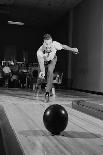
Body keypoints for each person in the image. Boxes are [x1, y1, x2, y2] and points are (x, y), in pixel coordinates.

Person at [37, 34, 79, 102]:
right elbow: (41, 65)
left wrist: (72, 49)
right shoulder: (39, 52)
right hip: (44, 62)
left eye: (50, 43)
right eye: (46, 44)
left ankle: (47, 93)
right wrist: (42, 72)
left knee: (50, 71)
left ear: (52, 42)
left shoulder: (54, 44)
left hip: (53, 59)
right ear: (43, 43)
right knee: (41, 76)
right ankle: (38, 84)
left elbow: (63, 47)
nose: (49, 46)